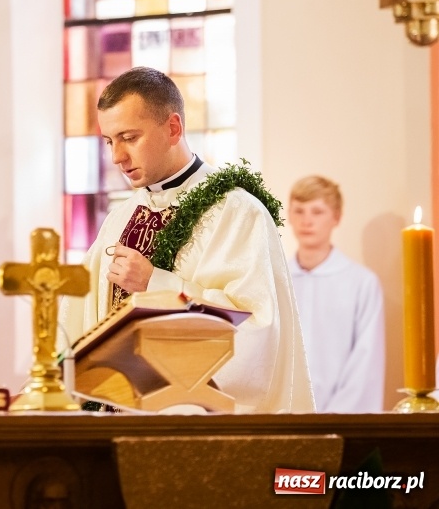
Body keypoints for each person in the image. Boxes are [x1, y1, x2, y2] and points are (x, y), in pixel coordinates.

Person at [58, 67, 314, 413]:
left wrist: (156, 284)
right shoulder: (118, 220)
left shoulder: (237, 212)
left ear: (173, 128)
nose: (116, 156)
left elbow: (258, 329)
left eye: (129, 138)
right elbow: (78, 325)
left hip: (192, 428)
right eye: (109, 141)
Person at [287, 175, 385, 413]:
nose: (307, 221)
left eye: (317, 212)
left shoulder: (361, 283)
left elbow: (366, 362)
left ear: (336, 217)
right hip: (283, 416)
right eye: (299, 211)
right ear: (289, 215)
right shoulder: (277, 280)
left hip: (342, 418)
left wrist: (334, 418)